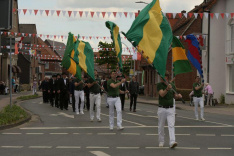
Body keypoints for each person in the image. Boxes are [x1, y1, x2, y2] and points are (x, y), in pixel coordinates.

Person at [157, 72, 182, 148]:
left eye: (162, 77)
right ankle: (161, 141)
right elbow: (162, 94)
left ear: (167, 78)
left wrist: (178, 96)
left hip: (170, 109)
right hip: (162, 108)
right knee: (161, 126)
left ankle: (172, 142)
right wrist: (167, 89)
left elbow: (174, 96)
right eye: (160, 77)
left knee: (171, 125)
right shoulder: (159, 85)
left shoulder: (172, 86)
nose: (161, 78)